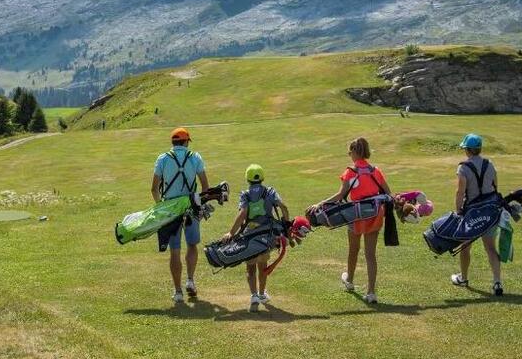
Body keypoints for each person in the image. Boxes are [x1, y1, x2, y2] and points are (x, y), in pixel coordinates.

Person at [307, 137, 391, 304]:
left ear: (354, 152)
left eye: (349, 152)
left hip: (356, 215)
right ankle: (371, 292)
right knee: (370, 255)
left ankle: (350, 280)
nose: (349, 155)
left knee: (353, 250)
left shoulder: (350, 172)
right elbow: (388, 193)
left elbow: (340, 195)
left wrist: (321, 203)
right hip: (375, 215)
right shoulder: (376, 171)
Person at [221, 164, 290, 312]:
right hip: (266, 235)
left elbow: (242, 214)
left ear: (248, 179)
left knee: (250, 267)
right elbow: (283, 207)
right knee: (263, 265)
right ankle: (262, 293)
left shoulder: (245, 195)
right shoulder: (270, 191)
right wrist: (286, 224)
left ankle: (254, 296)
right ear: (262, 177)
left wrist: (231, 233)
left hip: (249, 235)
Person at [151, 127, 209, 303]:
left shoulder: (162, 159)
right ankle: (190, 280)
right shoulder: (195, 157)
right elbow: (205, 187)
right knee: (192, 245)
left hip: (170, 209)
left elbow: (154, 189)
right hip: (191, 206)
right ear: (186, 142)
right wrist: (200, 205)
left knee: (174, 250)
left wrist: (161, 208)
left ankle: (178, 292)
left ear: (173, 142)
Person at [450, 133, 503, 296]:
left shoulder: (463, 167)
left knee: (465, 246)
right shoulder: (490, 164)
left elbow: (460, 192)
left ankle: (464, 278)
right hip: (490, 211)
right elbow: (495, 186)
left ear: (467, 150)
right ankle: (497, 282)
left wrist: (458, 211)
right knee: (491, 248)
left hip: (471, 213)